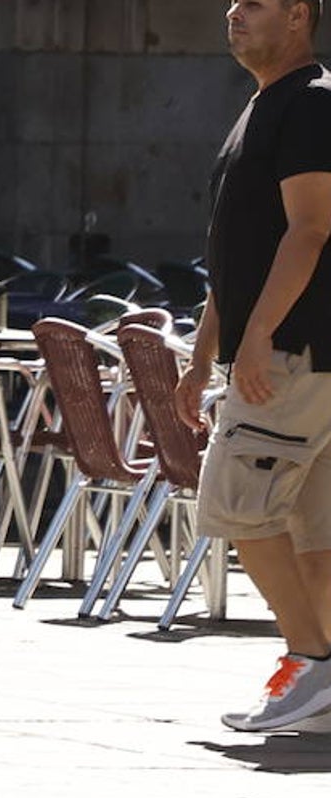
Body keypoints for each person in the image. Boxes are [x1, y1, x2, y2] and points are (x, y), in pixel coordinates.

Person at [176, 0, 331, 733]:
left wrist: (260, 334)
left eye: (255, 4)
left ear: (299, 16)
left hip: (294, 357)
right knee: (314, 536)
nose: (233, 13)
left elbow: (311, 228)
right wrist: (203, 355)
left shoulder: (312, 103)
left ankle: (313, 663)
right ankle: (321, 681)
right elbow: (233, 254)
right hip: (293, 356)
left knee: (237, 506)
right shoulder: (262, 108)